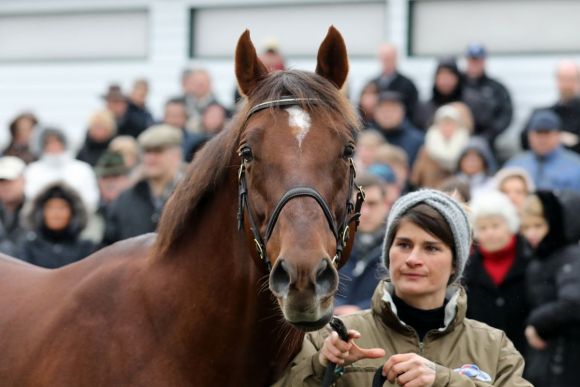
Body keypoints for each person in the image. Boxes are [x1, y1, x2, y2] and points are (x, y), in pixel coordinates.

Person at [273, 189, 531, 386]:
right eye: (404, 244)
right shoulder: (330, 339)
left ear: (455, 263)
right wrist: (322, 367)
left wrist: (444, 380)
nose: (413, 259)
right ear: (388, 253)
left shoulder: (493, 347)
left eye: (431, 248)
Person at [519, 191, 580, 386]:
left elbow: (573, 302)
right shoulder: (538, 259)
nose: (532, 234)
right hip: (548, 359)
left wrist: (536, 322)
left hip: (566, 358)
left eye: (538, 225)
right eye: (526, 227)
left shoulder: (569, 256)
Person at [463, 191, 532, 357]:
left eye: (495, 226)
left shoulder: (530, 260)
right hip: (485, 355)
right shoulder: (469, 268)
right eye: (483, 228)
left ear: (510, 225)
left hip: (527, 352)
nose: (490, 233)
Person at [103, 125, 184, 245]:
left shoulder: (189, 197)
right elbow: (108, 245)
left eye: (158, 151)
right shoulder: (126, 199)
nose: (150, 158)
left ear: (176, 156)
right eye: (147, 152)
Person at [334, 174, 389, 315]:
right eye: (358, 205)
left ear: (386, 205)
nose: (364, 212)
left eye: (372, 204)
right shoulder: (332, 247)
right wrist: (334, 309)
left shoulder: (396, 248)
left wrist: (362, 310)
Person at [20, 183, 95, 268]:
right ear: (40, 212)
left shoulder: (86, 247)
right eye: (50, 207)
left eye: (62, 208)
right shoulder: (30, 246)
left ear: (73, 213)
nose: (56, 214)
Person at [24, 128, 99, 214]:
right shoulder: (33, 170)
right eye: (48, 143)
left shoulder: (82, 169)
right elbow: (30, 198)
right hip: (41, 221)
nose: (54, 146)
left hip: (78, 221)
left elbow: (91, 198)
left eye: (57, 141)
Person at [506, 109, 580, 191]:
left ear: (558, 135)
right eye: (538, 134)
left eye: (547, 134)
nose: (542, 139)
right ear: (529, 136)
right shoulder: (516, 164)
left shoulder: (576, 166)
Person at [462, 43, 513, 150]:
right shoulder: (457, 85)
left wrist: (489, 135)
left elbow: (506, 114)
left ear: (484, 62)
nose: (474, 64)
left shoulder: (496, 88)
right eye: (472, 60)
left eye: (478, 60)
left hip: (488, 142)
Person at [522, 60, 580, 154]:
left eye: (571, 79)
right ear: (557, 81)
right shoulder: (544, 114)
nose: (567, 85)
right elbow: (524, 141)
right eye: (563, 79)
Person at [411, 105, 470, 189]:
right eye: (444, 124)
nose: (447, 127)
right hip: (431, 189)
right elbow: (416, 178)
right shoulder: (427, 150)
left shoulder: (466, 149)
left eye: (451, 124)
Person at [371, 91, 424, 166]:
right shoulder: (366, 136)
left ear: (403, 112)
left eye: (392, 110)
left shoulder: (417, 140)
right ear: (375, 113)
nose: (387, 115)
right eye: (383, 110)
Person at [371, 43, 419, 123]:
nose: (386, 61)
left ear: (396, 58)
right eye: (384, 58)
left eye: (389, 58)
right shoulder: (372, 84)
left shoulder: (408, 85)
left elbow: (413, 110)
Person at [414, 57, 464, 130]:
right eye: (442, 76)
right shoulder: (423, 109)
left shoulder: (469, 105)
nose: (446, 81)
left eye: (449, 76)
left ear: (457, 79)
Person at [163, 98, 207, 162]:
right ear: (164, 117)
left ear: (186, 117)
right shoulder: (155, 141)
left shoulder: (196, 143)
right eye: (171, 116)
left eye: (178, 116)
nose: (174, 120)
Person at [0, 156, 28, 256]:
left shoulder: (39, 211)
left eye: (10, 181)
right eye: (1, 182)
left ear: (23, 181)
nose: (5, 186)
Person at [177, 69, 219, 133]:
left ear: (210, 85)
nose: (199, 86)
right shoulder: (179, 104)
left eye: (202, 83)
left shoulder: (218, 108)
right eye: (196, 82)